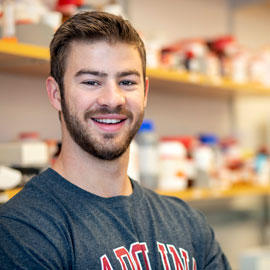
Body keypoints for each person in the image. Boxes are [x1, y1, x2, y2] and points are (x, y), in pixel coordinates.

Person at [0, 11, 231, 269]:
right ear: (56, 93)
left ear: (144, 93)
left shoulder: (188, 223)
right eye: (91, 81)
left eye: (127, 81)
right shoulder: (24, 230)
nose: (113, 99)